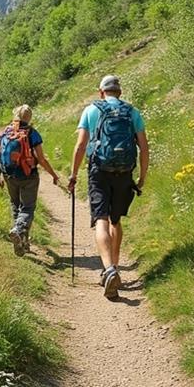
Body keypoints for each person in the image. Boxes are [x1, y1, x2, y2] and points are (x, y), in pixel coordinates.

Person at [67, 75, 149, 299]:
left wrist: (73, 175)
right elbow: (143, 146)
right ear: (119, 92)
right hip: (124, 173)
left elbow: (81, 145)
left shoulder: (91, 110)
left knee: (101, 220)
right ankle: (115, 266)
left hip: (99, 172)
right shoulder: (132, 112)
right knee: (116, 221)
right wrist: (141, 177)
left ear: (101, 92)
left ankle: (109, 269)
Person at [0, 104, 61, 257]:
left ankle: (23, 242)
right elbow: (42, 159)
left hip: (9, 175)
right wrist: (53, 175)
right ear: (29, 117)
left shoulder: (5, 131)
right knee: (28, 208)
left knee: (16, 205)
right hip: (28, 176)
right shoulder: (32, 133)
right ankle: (18, 231)